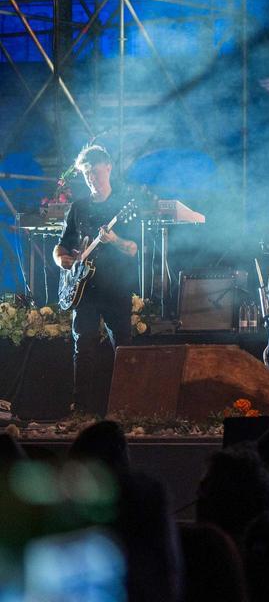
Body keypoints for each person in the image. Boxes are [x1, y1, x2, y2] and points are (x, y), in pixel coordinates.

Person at [54, 145, 139, 416]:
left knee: (123, 346)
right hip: (83, 289)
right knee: (84, 345)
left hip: (116, 286)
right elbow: (62, 246)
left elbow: (134, 249)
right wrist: (62, 261)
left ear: (108, 167)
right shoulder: (78, 207)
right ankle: (80, 410)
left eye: (94, 172)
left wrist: (113, 240)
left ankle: (125, 408)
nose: (91, 178)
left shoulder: (125, 206)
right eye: (86, 174)